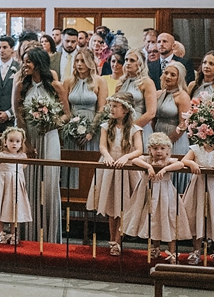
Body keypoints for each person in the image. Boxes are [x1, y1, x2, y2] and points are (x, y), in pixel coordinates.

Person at [13, 46, 68, 243]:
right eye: (23, 61)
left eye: (28, 61)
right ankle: (26, 233)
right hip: (28, 138)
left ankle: (49, 235)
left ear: (38, 63)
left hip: (49, 137)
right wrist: (25, 143)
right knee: (27, 184)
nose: (24, 65)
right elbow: (19, 116)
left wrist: (50, 123)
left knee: (49, 183)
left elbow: (66, 115)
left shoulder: (55, 86)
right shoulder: (21, 85)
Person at [86, 92, 145, 256]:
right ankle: (113, 240)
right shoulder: (106, 126)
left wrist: (126, 157)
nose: (111, 109)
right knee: (112, 205)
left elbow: (139, 150)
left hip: (126, 169)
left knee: (124, 205)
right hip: (110, 166)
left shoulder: (134, 129)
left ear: (125, 110)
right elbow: (103, 146)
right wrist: (107, 156)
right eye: (111, 106)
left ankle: (119, 240)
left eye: (115, 106)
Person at [121, 132, 190, 262]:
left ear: (168, 150)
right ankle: (155, 247)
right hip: (148, 193)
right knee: (152, 219)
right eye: (155, 148)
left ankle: (172, 251)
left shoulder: (169, 161)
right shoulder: (147, 160)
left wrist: (165, 169)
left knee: (168, 219)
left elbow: (180, 164)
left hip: (165, 195)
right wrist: (148, 167)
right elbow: (135, 160)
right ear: (150, 150)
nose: (159, 152)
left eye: (162, 148)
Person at [0, 126, 32, 245]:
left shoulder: (22, 157)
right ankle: (0, 232)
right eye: (11, 141)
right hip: (3, 186)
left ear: (21, 143)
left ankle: (14, 234)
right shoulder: (0, 155)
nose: (14, 144)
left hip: (16, 186)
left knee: (14, 209)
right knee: (0, 208)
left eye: (17, 141)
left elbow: (24, 167)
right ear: (5, 141)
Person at [64, 47, 107, 152]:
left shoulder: (100, 81)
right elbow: (65, 108)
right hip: (72, 124)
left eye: (83, 61)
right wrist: (70, 128)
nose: (79, 64)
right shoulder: (68, 82)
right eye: (77, 61)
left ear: (90, 62)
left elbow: (101, 108)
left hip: (92, 124)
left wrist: (91, 131)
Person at [119, 48, 159, 145]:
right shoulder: (122, 81)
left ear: (140, 63)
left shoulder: (147, 82)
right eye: (126, 60)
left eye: (132, 60)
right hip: (121, 126)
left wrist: (131, 128)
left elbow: (151, 113)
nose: (128, 63)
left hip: (140, 126)